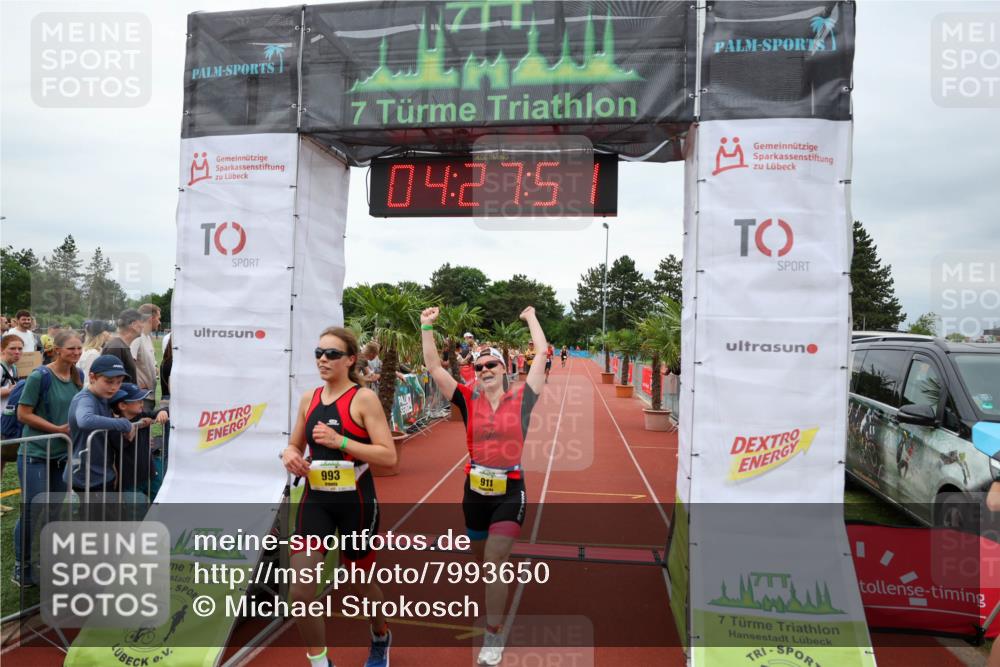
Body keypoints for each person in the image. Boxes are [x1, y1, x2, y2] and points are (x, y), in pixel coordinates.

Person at [420, 305, 548, 666]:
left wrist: (530, 317)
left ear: (504, 369)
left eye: (491, 365)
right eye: (478, 367)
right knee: (483, 557)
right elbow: (433, 367)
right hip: (473, 490)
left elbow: (541, 352)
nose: (485, 370)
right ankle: (498, 574)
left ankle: (493, 635)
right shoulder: (466, 397)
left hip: (510, 488)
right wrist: (425, 327)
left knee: (494, 559)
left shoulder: (524, 397)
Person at [281, 326, 397, 667]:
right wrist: (288, 454)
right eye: (318, 353)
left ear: (350, 360)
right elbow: (294, 445)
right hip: (316, 501)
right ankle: (321, 663)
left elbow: (389, 457)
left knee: (363, 584)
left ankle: (380, 636)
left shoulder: (364, 399)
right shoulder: (309, 399)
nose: (322, 359)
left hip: (356, 504)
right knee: (300, 591)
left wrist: (341, 442)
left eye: (331, 354)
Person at [13, 330, 84, 586]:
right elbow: (23, 414)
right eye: (71, 349)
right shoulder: (39, 376)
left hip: (61, 456)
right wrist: (57, 430)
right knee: (32, 511)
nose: (76, 353)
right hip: (35, 455)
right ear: (56, 350)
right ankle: (22, 567)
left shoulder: (78, 375)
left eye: (79, 348)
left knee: (54, 510)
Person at [65, 355, 134, 498]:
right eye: (108, 382)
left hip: (101, 471)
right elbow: (85, 420)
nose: (114, 387)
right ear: (92, 377)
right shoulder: (85, 398)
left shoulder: (104, 396)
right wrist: (124, 424)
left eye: (119, 382)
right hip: (87, 476)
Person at [107, 383, 168, 500]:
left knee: (162, 501)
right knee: (137, 512)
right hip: (130, 481)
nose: (142, 403)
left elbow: (161, 411)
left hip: (150, 474)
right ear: (123, 405)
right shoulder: (115, 426)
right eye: (138, 400)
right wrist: (136, 427)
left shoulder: (143, 415)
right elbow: (121, 443)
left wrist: (163, 412)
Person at [0, 334, 23, 514]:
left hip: (5, 421)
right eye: (12, 349)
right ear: (2, 349)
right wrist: (9, 391)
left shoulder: (13, 368)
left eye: (20, 349)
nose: (17, 352)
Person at [102, 308, 146, 386]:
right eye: (141, 322)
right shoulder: (116, 348)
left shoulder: (120, 346)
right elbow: (111, 383)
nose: (143, 326)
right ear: (133, 325)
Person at [130, 304, 160, 413]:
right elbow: (128, 363)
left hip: (149, 396)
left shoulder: (147, 337)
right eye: (158, 318)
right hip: (140, 398)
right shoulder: (137, 337)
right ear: (151, 318)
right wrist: (135, 386)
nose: (159, 322)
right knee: (140, 429)